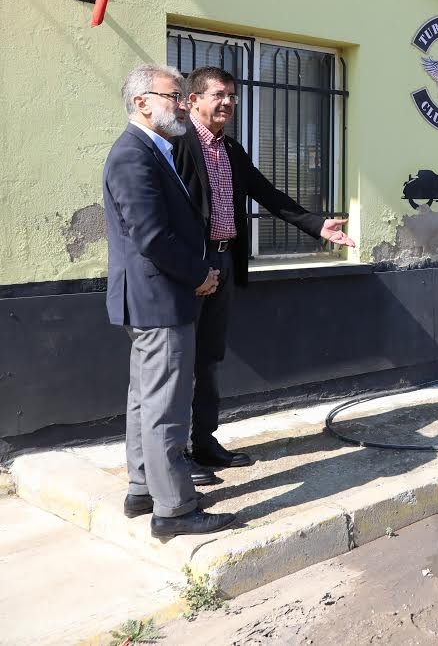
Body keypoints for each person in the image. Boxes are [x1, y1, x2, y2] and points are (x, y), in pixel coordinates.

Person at [173, 66, 356, 485]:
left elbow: (268, 194)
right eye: (218, 95)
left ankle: (203, 441)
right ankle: (177, 454)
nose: (228, 103)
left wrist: (316, 225)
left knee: (210, 358)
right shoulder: (178, 146)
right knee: (179, 362)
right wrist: (188, 266)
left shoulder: (231, 149)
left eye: (233, 97)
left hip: (224, 263)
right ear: (194, 99)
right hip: (190, 269)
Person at [103, 63, 236, 538]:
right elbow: (152, 235)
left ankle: (142, 488)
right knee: (166, 407)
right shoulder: (133, 155)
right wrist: (200, 274)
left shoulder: (155, 150)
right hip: (160, 298)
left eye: (182, 97)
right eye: (173, 96)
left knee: (144, 400)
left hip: (153, 298)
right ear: (142, 102)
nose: (182, 104)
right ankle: (175, 510)